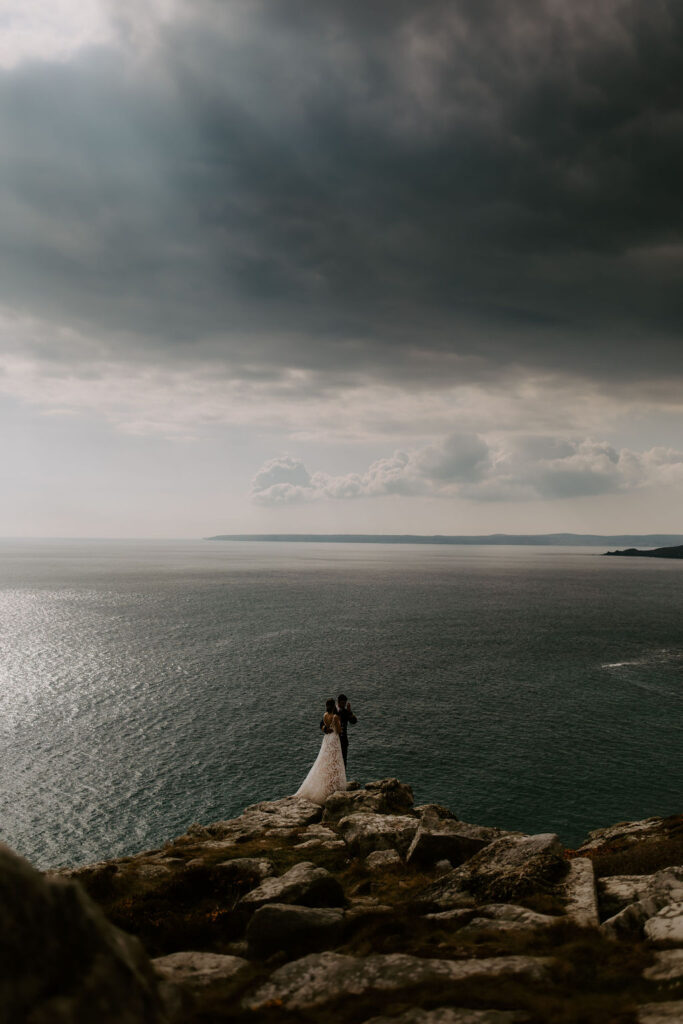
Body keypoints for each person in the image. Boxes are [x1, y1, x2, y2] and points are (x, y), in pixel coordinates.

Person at [296, 699, 346, 804]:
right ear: (334, 706)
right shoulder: (335, 717)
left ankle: (328, 784)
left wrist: (325, 728)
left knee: (325, 759)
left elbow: (323, 725)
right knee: (335, 760)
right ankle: (333, 784)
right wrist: (340, 725)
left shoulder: (324, 715)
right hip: (334, 739)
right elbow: (339, 730)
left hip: (327, 739)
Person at [321, 693, 357, 767]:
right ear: (338, 702)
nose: (344, 705)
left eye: (345, 703)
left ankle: (341, 778)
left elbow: (354, 721)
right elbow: (321, 724)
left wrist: (350, 712)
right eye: (342, 703)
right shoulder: (332, 711)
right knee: (333, 760)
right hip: (333, 740)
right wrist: (325, 729)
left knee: (343, 761)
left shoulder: (346, 712)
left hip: (343, 741)